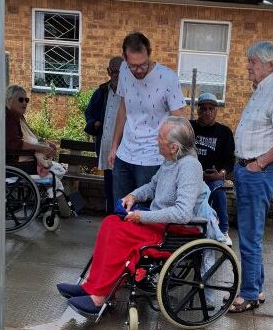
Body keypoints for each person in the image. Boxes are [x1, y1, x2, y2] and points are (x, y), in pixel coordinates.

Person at [57, 117, 204, 317]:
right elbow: (151, 186)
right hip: (158, 223)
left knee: (119, 234)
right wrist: (133, 196)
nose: (156, 140)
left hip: (171, 231)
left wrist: (142, 216)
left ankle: (100, 297)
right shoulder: (170, 161)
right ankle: (91, 285)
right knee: (110, 222)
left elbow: (183, 213)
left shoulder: (189, 167)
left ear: (174, 147)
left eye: (160, 138)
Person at [230, 41, 273, 313]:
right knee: (250, 233)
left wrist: (259, 164)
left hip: (258, 173)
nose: (248, 67)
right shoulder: (262, 88)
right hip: (247, 170)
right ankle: (256, 288)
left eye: (253, 62)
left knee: (250, 235)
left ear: (270, 64)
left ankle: (248, 294)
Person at [107, 32, 186, 203]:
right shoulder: (124, 70)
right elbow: (123, 108)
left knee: (146, 212)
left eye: (143, 64)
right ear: (125, 58)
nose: (138, 70)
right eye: (133, 66)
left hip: (153, 158)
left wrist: (183, 157)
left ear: (149, 53)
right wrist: (114, 146)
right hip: (124, 154)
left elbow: (180, 120)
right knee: (121, 209)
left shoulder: (168, 78)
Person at [190, 92, 235, 246]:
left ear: (216, 111)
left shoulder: (224, 132)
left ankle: (223, 230)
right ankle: (189, 228)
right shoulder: (190, 128)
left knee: (218, 189)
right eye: (203, 108)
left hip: (214, 178)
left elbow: (230, 160)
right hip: (192, 176)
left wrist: (221, 174)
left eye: (211, 108)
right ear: (198, 110)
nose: (207, 112)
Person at [84, 56, 123, 214]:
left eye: (120, 72)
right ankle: (111, 216)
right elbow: (89, 113)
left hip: (124, 148)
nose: (116, 75)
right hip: (106, 147)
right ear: (108, 71)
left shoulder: (130, 92)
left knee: (122, 184)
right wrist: (94, 123)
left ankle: (121, 216)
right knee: (109, 184)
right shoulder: (101, 91)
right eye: (114, 71)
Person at [5, 85, 57, 174]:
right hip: (14, 163)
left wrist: (45, 143)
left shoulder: (18, 117)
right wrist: (42, 148)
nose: (24, 103)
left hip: (19, 160)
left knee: (54, 169)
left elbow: (30, 136)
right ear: (10, 100)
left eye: (26, 100)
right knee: (52, 172)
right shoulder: (8, 118)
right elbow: (15, 144)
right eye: (21, 100)